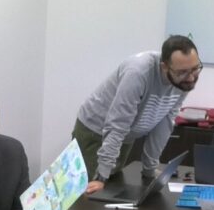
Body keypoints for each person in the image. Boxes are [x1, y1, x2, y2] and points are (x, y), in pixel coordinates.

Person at [74, 36, 201, 194]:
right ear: (164, 67)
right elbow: (118, 124)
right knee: (92, 194)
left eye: (195, 68)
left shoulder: (183, 80)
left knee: (113, 189)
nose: (191, 77)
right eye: (183, 72)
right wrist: (100, 177)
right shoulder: (138, 72)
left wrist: (150, 169)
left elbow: (165, 124)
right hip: (95, 132)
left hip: (125, 135)